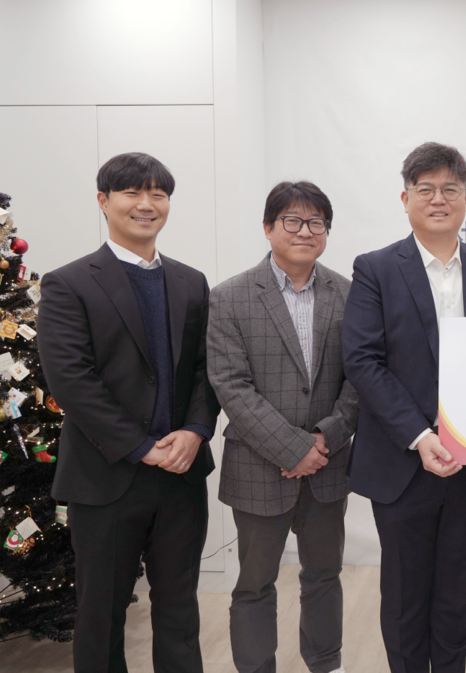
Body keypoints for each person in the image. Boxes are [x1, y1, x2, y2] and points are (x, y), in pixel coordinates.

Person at [38, 152, 219, 672]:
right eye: (132, 192)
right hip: (106, 476)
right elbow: (72, 381)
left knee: (180, 611)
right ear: (103, 201)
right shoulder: (69, 282)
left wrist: (196, 430)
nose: (146, 204)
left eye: (158, 194)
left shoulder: (191, 282)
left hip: (181, 474)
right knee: (102, 613)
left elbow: (206, 368)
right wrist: (141, 448)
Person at [342, 142, 466, 673]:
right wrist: (420, 436)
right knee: (404, 596)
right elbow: (363, 360)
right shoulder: (375, 268)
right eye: (426, 190)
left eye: (449, 189)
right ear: (406, 199)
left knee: (456, 595)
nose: (438, 199)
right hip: (403, 461)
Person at [207, 181, 358, 673]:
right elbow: (231, 385)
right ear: (268, 228)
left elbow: (360, 377)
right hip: (257, 467)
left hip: (328, 465)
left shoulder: (350, 294)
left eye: (316, 222)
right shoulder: (229, 297)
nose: (305, 231)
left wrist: (325, 438)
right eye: (292, 220)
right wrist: (293, 449)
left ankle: (326, 663)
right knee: (254, 584)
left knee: (324, 576)